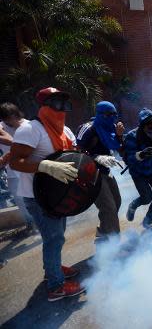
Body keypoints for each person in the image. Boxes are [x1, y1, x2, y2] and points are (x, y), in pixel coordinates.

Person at [9, 87, 84, 301]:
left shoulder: (66, 131)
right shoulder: (30, 129)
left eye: (63, 103)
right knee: (53, 238)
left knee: (56, 238)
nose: (61, 109)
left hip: (57, 194)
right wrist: (45, 166)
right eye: (56, 103)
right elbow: (15, 162)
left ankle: (52, 268)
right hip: (37, 197)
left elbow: (76, 155)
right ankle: (56, 286)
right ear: (43, 107)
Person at [76, 101, 124, 240]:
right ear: (100, 114)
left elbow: (120, 149)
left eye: (115, 114)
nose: (112, 118)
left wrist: (120, 135)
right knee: (109, 207)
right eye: (109, 114)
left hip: (105, 170)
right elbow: (76, 153)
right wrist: (95, 157)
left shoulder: (112, 128)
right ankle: (115, 244)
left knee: (116, 202)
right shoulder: (87, 129)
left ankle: (104, 230)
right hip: (91, 173)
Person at [0, 103, 34, 232]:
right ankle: (30, 224)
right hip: (12, 172)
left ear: (14, 115)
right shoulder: (1, 126)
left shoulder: (28, 125)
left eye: (7, 119)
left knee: (33, 197)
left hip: (28, 168)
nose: (5, 122)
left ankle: (42, 223)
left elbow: (12, 142)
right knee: (19, 200)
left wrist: (7, 156)